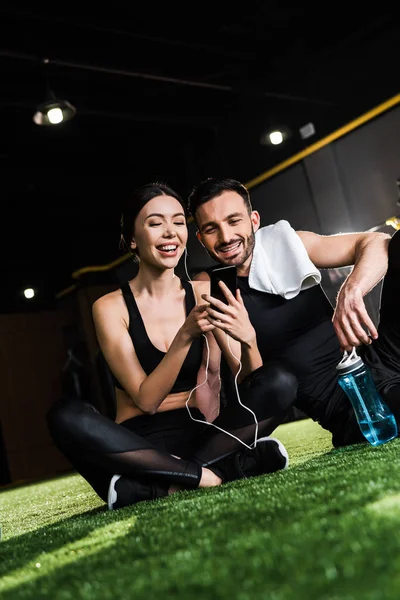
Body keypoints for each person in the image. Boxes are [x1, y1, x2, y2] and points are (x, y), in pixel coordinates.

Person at [46, 182, 295, 511]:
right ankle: (220, 472)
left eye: (178, 221)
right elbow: (147, 400)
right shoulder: (109, 307)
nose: (170, 232)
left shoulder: (204, 292)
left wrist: (248, 340)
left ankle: (153, 489)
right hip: (136, 446)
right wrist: (184, 336)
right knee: (64, 415)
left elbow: (249, 382)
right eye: (155, 223)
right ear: (132, 239)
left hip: (201, 436)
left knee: (282, 380)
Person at [187, 177, 400, 448]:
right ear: (201, 238)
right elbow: (257, 390)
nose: (226, 237)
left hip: (384, 358)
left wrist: (351, 291)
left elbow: (377, 242)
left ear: (253, 220)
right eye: (211, 229)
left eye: (233, 221)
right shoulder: (212, 288)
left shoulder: (287, 242)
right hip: (347, 405)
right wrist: (249, 340)